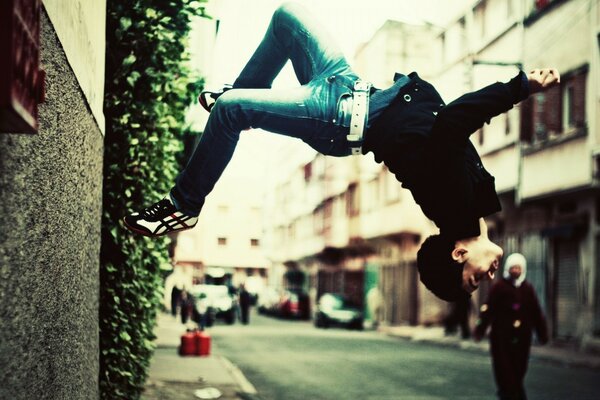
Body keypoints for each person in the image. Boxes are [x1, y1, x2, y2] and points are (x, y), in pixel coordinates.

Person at [123, 2, 560, 301]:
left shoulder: (453, 203)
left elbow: (452, 123)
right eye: (479, 283)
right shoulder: (474, 206)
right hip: (351, 86)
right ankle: (240, 91)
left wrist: (519, 88)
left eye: (472, 282)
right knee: (285, 18)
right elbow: (445, 128)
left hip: (337, 117)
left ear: (458, 255)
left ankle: (183, 205)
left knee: (232, 112)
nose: (486, 279)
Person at [473, 253, 548, 400]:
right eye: (513, 268)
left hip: (522, 338)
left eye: (518, 268)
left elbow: (536, 313)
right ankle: (508, 394)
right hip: (502, 337)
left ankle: (513, 393)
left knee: (519, 369)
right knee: (504, 369)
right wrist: (479, 330)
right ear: (508, 269)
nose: (516, 271)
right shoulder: (499, 287)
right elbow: (488, 310)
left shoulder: (527, 289)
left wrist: (542, 333)